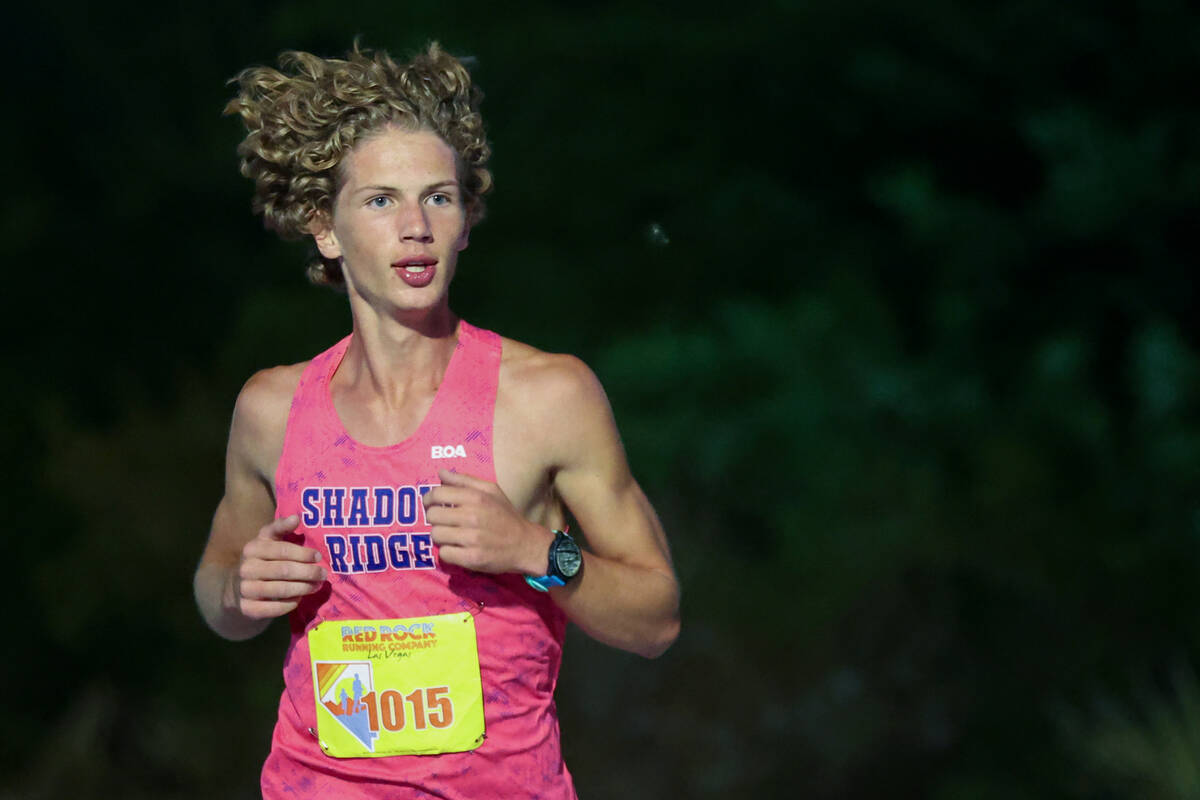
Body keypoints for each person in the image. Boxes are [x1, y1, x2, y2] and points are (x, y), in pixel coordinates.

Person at [193, 41, 680, 799]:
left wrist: (531, 548)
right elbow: (219, 591)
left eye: (439, 197)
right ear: (325, 228)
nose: (415, 225)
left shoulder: (547, 395)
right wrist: (237, 592)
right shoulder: (272, 408)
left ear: (465, 222)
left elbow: (656, 620)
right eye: (381, 200)